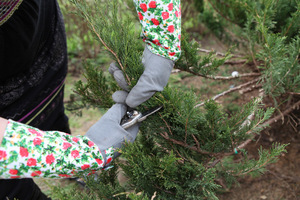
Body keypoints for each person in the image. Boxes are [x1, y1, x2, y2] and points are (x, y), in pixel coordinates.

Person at [0, 0, 181, 199]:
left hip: (36, 21)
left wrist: (162, 40)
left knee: (50, 105)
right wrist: (74, 156)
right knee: (10, 191)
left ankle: (61, 137)